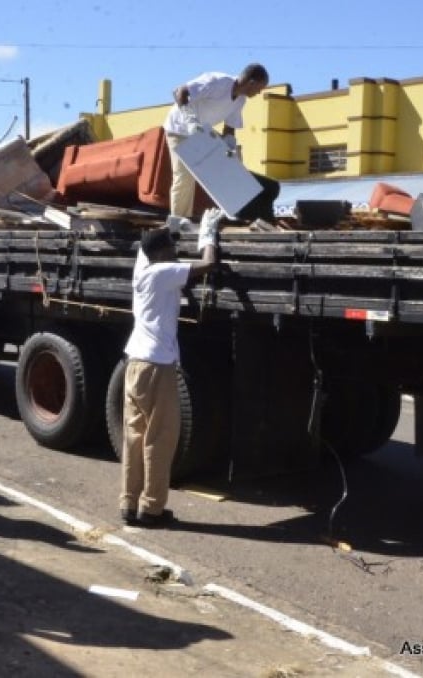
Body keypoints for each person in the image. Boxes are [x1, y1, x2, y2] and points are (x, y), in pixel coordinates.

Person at [119, 208, 220, 527]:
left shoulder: (142, 270)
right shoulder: (162, 272)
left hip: (135, 362)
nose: (176, 253)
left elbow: (145, 246)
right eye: (172, 248)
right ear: (162, 253)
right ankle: (151, 509)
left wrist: (171, 222)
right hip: (157, 365)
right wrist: (208, 235)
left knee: (134, 435)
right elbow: (207, 265)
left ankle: (128, 503)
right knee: (160, 437)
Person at [162, 63, 280, 223]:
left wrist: (229, 147)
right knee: (184, 176)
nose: (259, 93)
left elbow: (230, 128)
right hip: (179, 129)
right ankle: (177, 222)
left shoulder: (240, 101)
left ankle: (237, 212)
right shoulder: (217, 82)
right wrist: (190, 120)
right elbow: (180, 92)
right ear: (251, 83)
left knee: (228, 168)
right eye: (259, 88)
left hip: (201, 132)